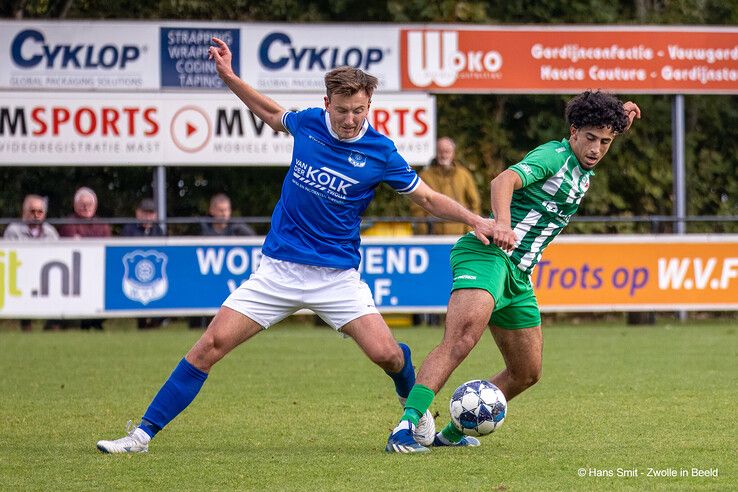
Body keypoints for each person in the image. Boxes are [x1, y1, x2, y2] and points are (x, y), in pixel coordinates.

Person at [96, 37, 495, 454]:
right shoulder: (307, 123)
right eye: (342, 110)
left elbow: (427, 198)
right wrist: (229, 76)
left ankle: (417, 418)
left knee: (389, 356)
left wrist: (472, 219)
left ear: (369, 105)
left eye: (359, 110)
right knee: (209, 346)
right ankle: (141, 436)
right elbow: (269, 111)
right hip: (277, 271)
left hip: (336, 277)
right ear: (327, 103)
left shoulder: (380, 151)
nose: (349, 119)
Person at [386, 91, 641, 453]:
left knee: (526, 373)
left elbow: (607, 129)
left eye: (606, 141)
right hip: (488, 254)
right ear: (573, 132)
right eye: (590, 138)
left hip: (519, 276)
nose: (597, 148)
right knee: (461, 339)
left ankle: (450, 434)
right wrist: (502, 223)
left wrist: (623, 117)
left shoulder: (589, 156)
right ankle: (406, 427)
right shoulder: (554, 155)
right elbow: (502, 181)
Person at [4, 194, 60, 331]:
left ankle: (52, 328)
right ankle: (26, 326)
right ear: (24, 212)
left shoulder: (50, 232)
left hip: (47, 276)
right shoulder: (13, 231)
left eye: (40, 212)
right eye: (32, 211)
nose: (36, 215)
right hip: (21, 275)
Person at [59, 187, 111, 330]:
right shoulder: (69, 223)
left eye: (90, 203)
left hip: (98, 269)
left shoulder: (103, 225)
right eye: (82, 204)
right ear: (75, 206)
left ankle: (93, 322)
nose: (86, 207)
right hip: (74, 271)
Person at [411, 137, 482, 235]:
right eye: (440, 152)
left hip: (461, 235)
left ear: (453, 153)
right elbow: (417, 207)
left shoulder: (464, 175)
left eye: (447, 152)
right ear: (435, 153)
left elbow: (475, 203)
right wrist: (423, 232)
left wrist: (470, 231)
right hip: (434, 235)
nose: (444, 155)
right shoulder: (425, 175)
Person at [121, 198, 166, 329]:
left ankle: (152, 324)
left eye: (151, 213)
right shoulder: (129, 230)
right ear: (138, 213)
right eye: (145, 213)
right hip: (133, 277)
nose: (148, 216)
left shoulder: (158, 231)